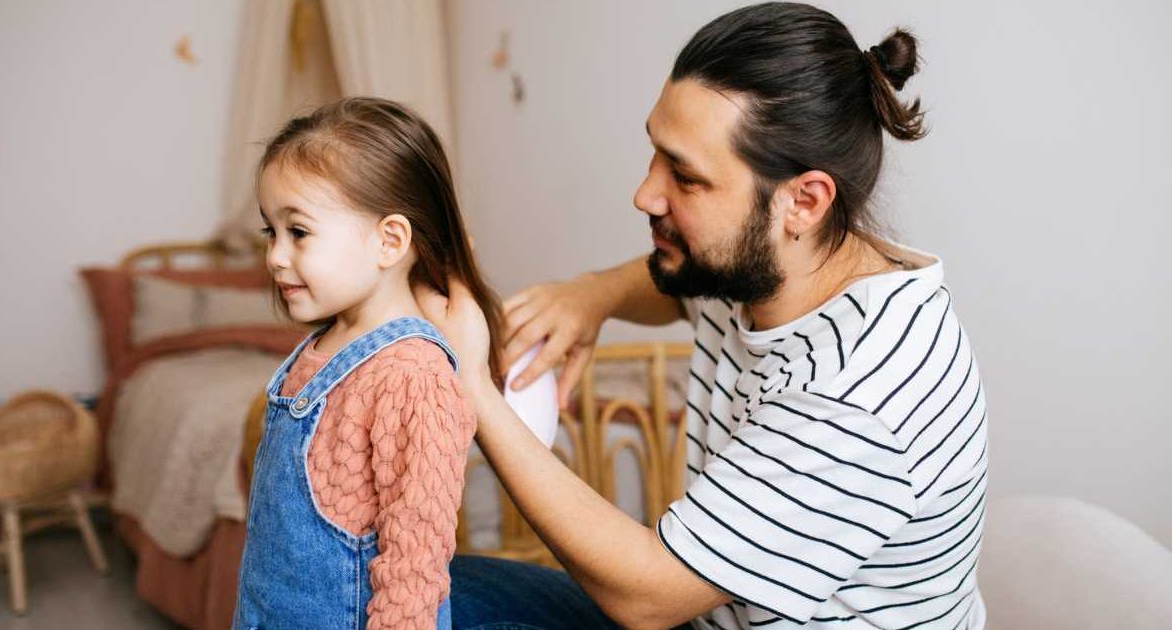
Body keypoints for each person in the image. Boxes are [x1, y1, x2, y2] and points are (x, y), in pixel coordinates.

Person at [417, 3, 988, 629]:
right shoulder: (781, 263)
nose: (645, 194)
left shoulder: (859, 394)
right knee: (427, 589)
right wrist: (593, 296)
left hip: (663, 599)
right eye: (655, 154)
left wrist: (473, 386)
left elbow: (649, 596)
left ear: (805, 200)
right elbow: (683, 285)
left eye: (684, 177)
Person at [233, 97, 506, 630]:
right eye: (271, 231)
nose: (275, 256)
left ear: (390, 240)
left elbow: (414, 571)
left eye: (299, 232)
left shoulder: (412, 377)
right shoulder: (319, 349)